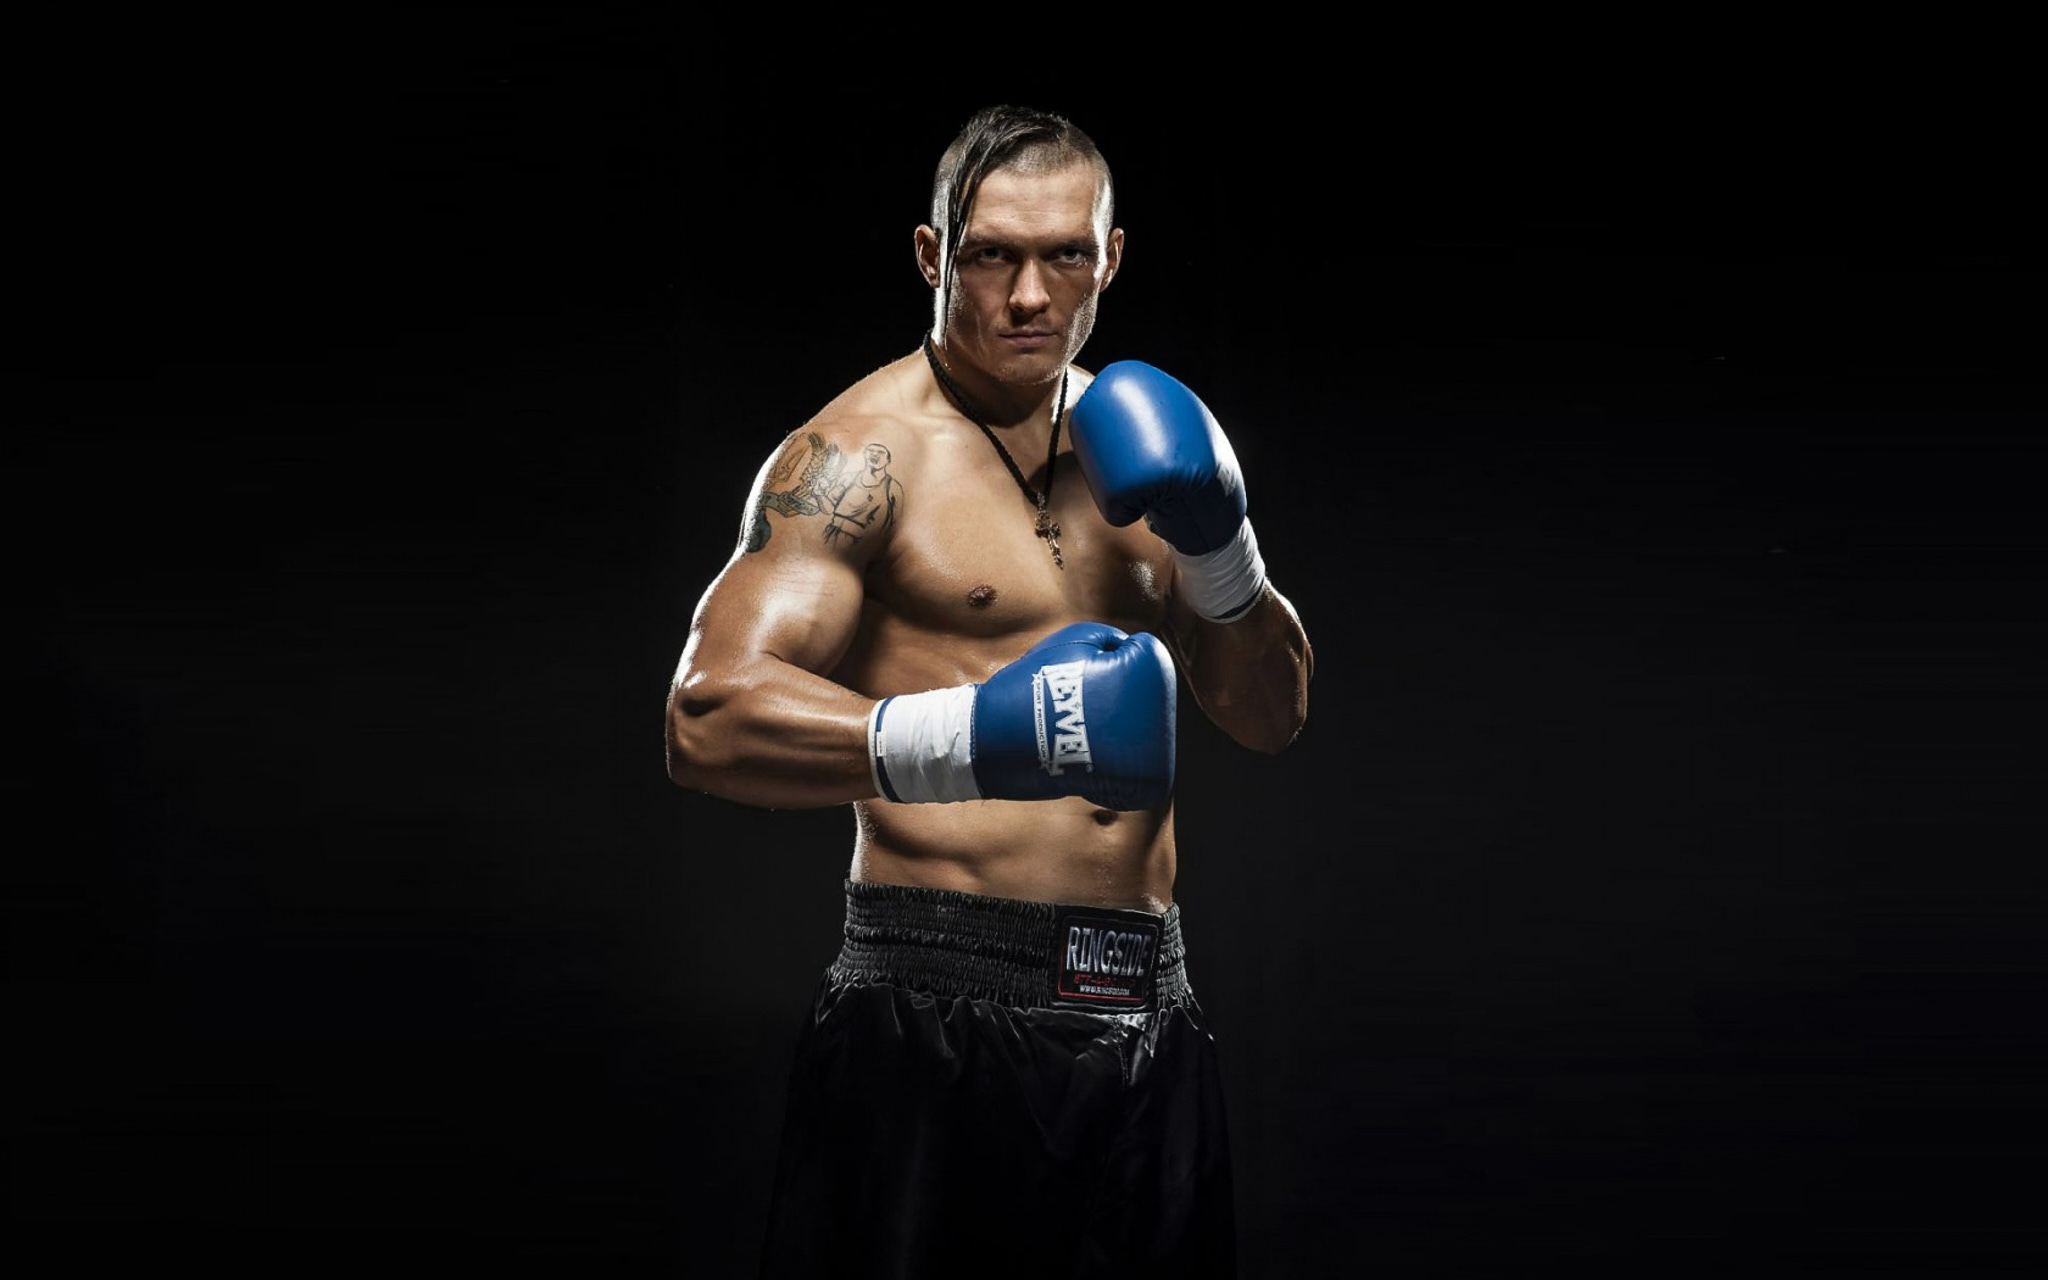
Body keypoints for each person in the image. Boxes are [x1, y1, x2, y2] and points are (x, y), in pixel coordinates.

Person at [665, 104, 1313, 1277]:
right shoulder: (858, 457)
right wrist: (975, 735)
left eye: (1064, 255)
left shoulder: (1145, 441)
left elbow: (1271, 717)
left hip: (1146, 1010)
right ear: (931, 254)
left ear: (1109, 257)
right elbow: (704, 713)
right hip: (933, 1015)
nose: (1027, 296)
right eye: (989, 255)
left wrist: (1224, 551)